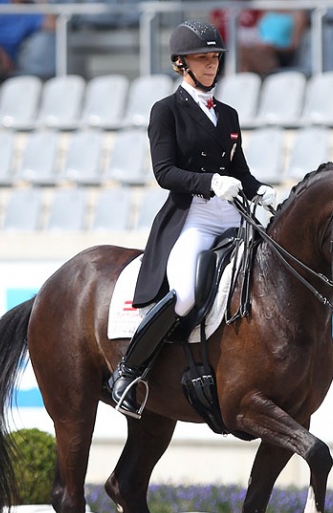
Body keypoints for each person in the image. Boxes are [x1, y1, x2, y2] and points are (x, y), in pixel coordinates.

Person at [109, 19, 276, 419]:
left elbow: (242, 174)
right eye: (202, 59)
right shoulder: (166, 111)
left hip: (233, 216)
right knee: (184, 294)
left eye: (215, 58)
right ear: (180, 64)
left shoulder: (229, 115)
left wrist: (261, 191)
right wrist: (209, 183)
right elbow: (164, 172)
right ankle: (128, 372)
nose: (211, 65)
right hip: (194, 219)